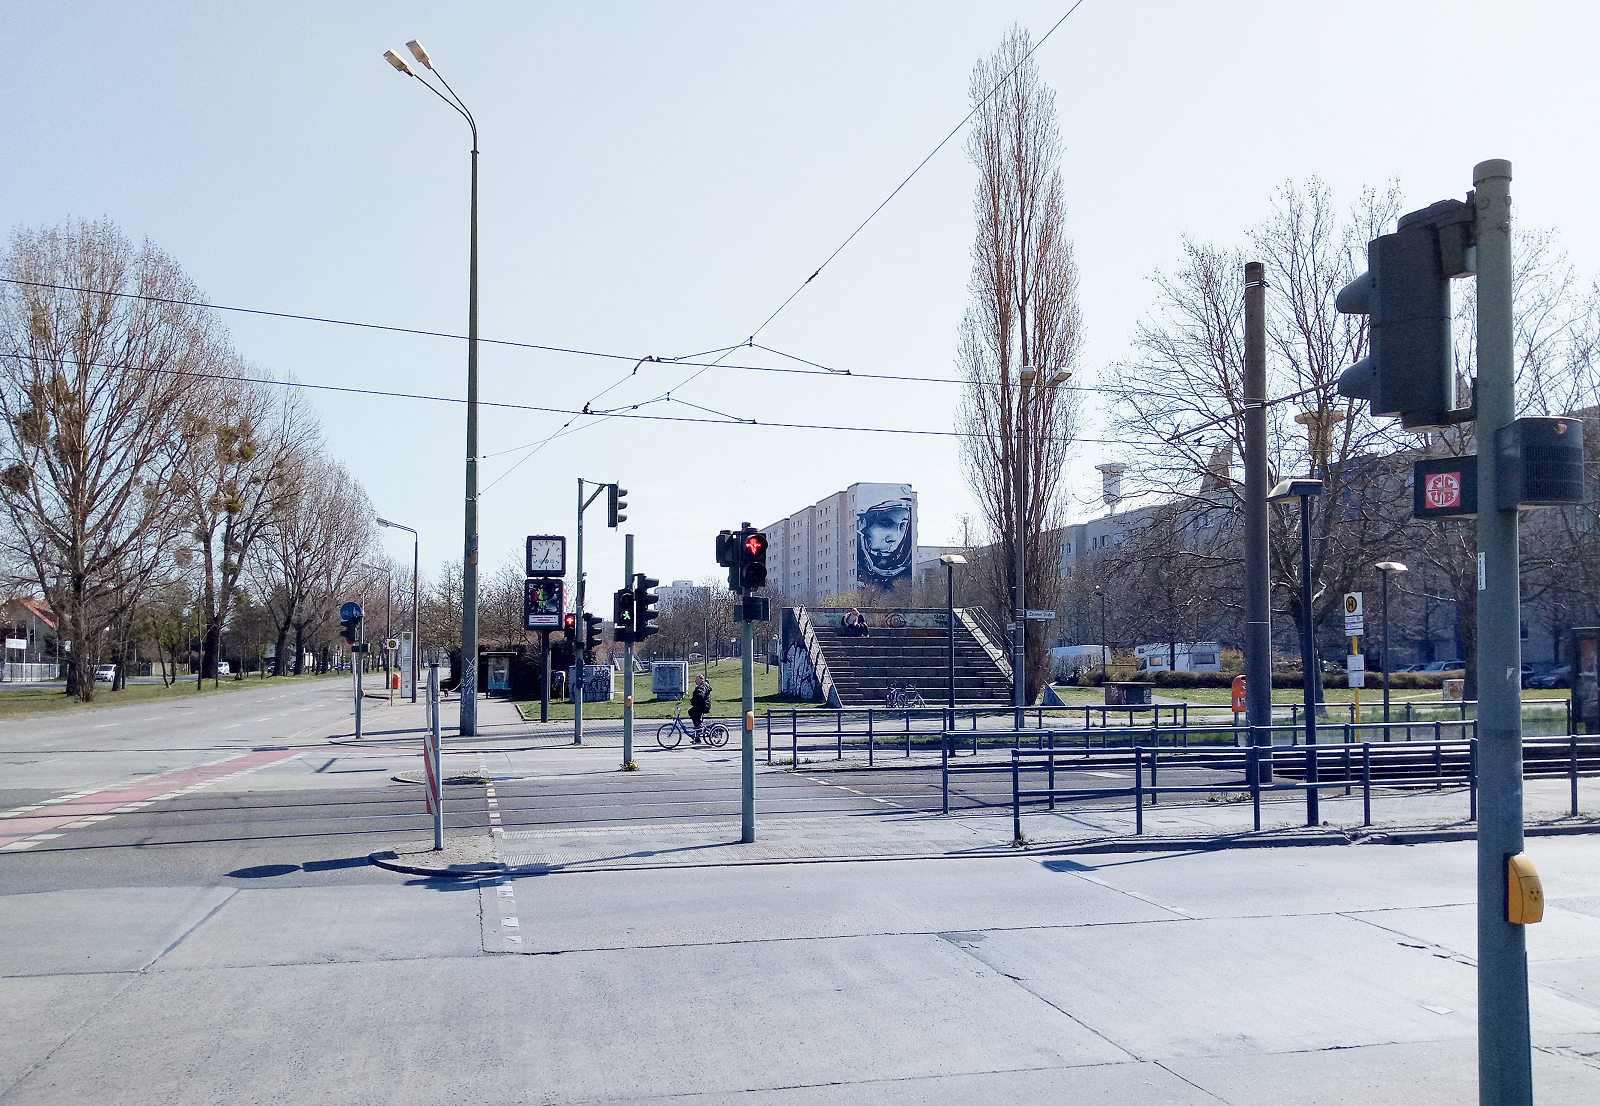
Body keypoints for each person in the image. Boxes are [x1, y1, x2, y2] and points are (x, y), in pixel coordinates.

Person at [688, 674, 712, 742]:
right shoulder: (703, 686)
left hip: (703, 706)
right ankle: (697, 737)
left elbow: (700, 696)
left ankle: (698, 729)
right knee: (696, 718)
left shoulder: (702, 687)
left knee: (692, 712)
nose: (695, 681)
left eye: (696, 679)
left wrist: (693, 702)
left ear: (700, 679)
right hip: (703, 705)